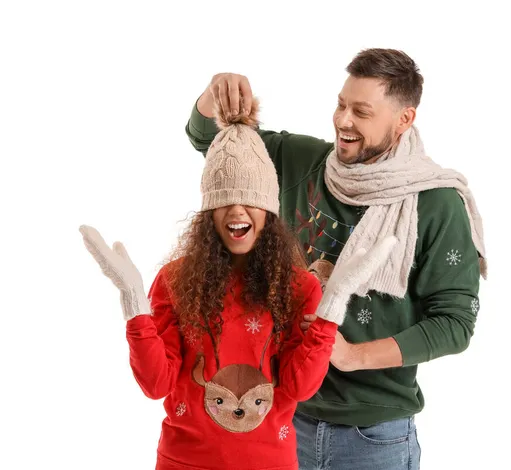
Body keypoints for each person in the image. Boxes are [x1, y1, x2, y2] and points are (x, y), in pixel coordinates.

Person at [185, 48, 487, 470]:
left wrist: (352, 356)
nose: (343, 120)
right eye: (341, 105)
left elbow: (455, 323)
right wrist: (214, 92)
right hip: (280, 418)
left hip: (375, 436)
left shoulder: (436, 203)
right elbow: (208, 138)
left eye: (361, 111)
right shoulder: (299, 162)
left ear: (404, 120)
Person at [79, 101, 398, 470]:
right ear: (208, 211)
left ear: (269, 210)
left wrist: (333, 304)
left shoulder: (298, 287)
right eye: (224, 199)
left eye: (250, 199)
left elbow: (300, 387)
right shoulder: (174, 280)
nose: (237, 211)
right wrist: (134, 301)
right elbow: (156, 384)